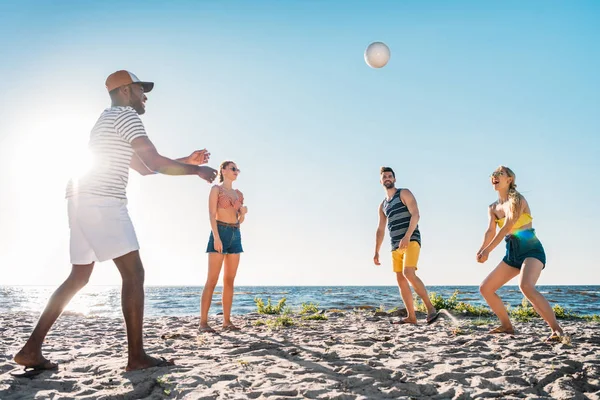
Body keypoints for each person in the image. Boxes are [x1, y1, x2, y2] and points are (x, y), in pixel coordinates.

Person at [13, 70, 218, 375]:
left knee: (79, 277)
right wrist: (197, 172)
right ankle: (137, 357)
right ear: (125, 92)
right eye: (140, 90)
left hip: (80, 199)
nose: (144, 96)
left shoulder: (105, 121)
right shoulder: (127, 116)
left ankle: (31, 349)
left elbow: (145, 168)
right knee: (134, 274)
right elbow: (155, 163)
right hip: (102, 200)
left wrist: (188, 160)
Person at [477, 166, 564, 342]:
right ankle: (507, 326)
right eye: (493, 174)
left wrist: (488, 251)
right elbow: (490, 231)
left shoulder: (517, 199)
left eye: (500, 173)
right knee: (485, 288)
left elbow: (508, 226)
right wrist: (481, 249)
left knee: (526, 286)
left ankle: (557, 330)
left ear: (509, 179)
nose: (495, 176)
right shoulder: (492, 207)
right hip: (512, 252)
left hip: (531, 249)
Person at [374, 167, 439, 324]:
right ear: (381, 181)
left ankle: (430, 309)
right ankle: (412, 316)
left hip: (411, 239)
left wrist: (407, 236)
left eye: (390, 176)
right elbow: (381, 229)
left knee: (408, 273)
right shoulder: (382, 205)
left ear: (394, 179)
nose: (387, 178)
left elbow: (416, 214)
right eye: (384, 177)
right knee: (400, 279)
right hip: (395, 244)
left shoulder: (404, 193)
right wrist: (376, 251)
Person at [200, 161, 247, 333]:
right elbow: (212, 214)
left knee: (229, 280)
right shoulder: (216, 190)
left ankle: (226, 322)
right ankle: (203, 323)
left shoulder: (238, 194)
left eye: (237, 169)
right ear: (224, 170)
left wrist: (243, 213)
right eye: (233, 168)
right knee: (212, 279)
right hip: (219, 231)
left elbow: (239, 220)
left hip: (235, 234)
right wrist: (216, 238)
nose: (236, 171)